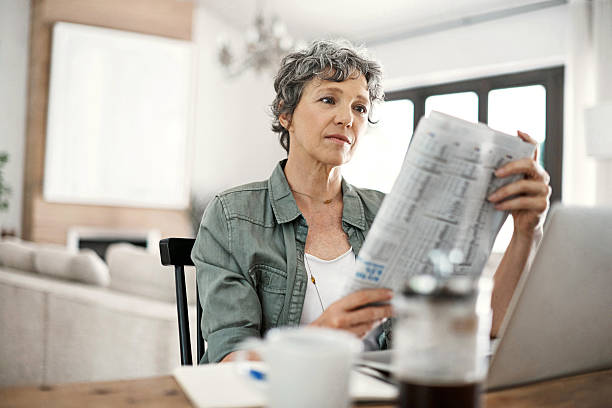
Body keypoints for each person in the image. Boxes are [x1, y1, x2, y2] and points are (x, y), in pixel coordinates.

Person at [191, 39, 551, 364]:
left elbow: (474, 331)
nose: (347, 118)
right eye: (328, 99)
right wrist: (321, 337)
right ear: (286, 115)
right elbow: (229, 362)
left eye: (360, 108)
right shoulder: (232, 215)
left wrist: (524, 231)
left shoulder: (389, 212)